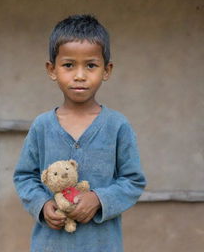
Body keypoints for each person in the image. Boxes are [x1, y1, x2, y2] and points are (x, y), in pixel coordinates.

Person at [13, 14, 146, 252]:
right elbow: (24, 177)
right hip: (50, 245)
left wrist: (99, 199)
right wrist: (43, 206)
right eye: (68, 65)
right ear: (52, 69)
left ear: (107, 70)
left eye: (91, 65)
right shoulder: (42, 126)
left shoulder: (117, 126)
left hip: (102, 245)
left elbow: (133, 180)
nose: (80, 75)